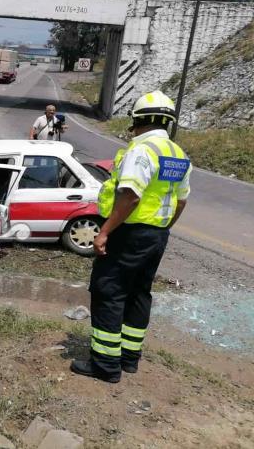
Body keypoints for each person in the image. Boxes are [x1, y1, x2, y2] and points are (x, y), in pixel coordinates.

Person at [70, 91, 190, 383]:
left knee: (109, 291)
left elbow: (131, 196)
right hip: (157, 235)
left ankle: (105, 366)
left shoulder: (142, 150)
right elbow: (182, 200)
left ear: (138, 120)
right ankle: (129, 359)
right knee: (139, 292)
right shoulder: (177, 154)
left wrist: (105, 232)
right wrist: (162, 227)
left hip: (129, 233)